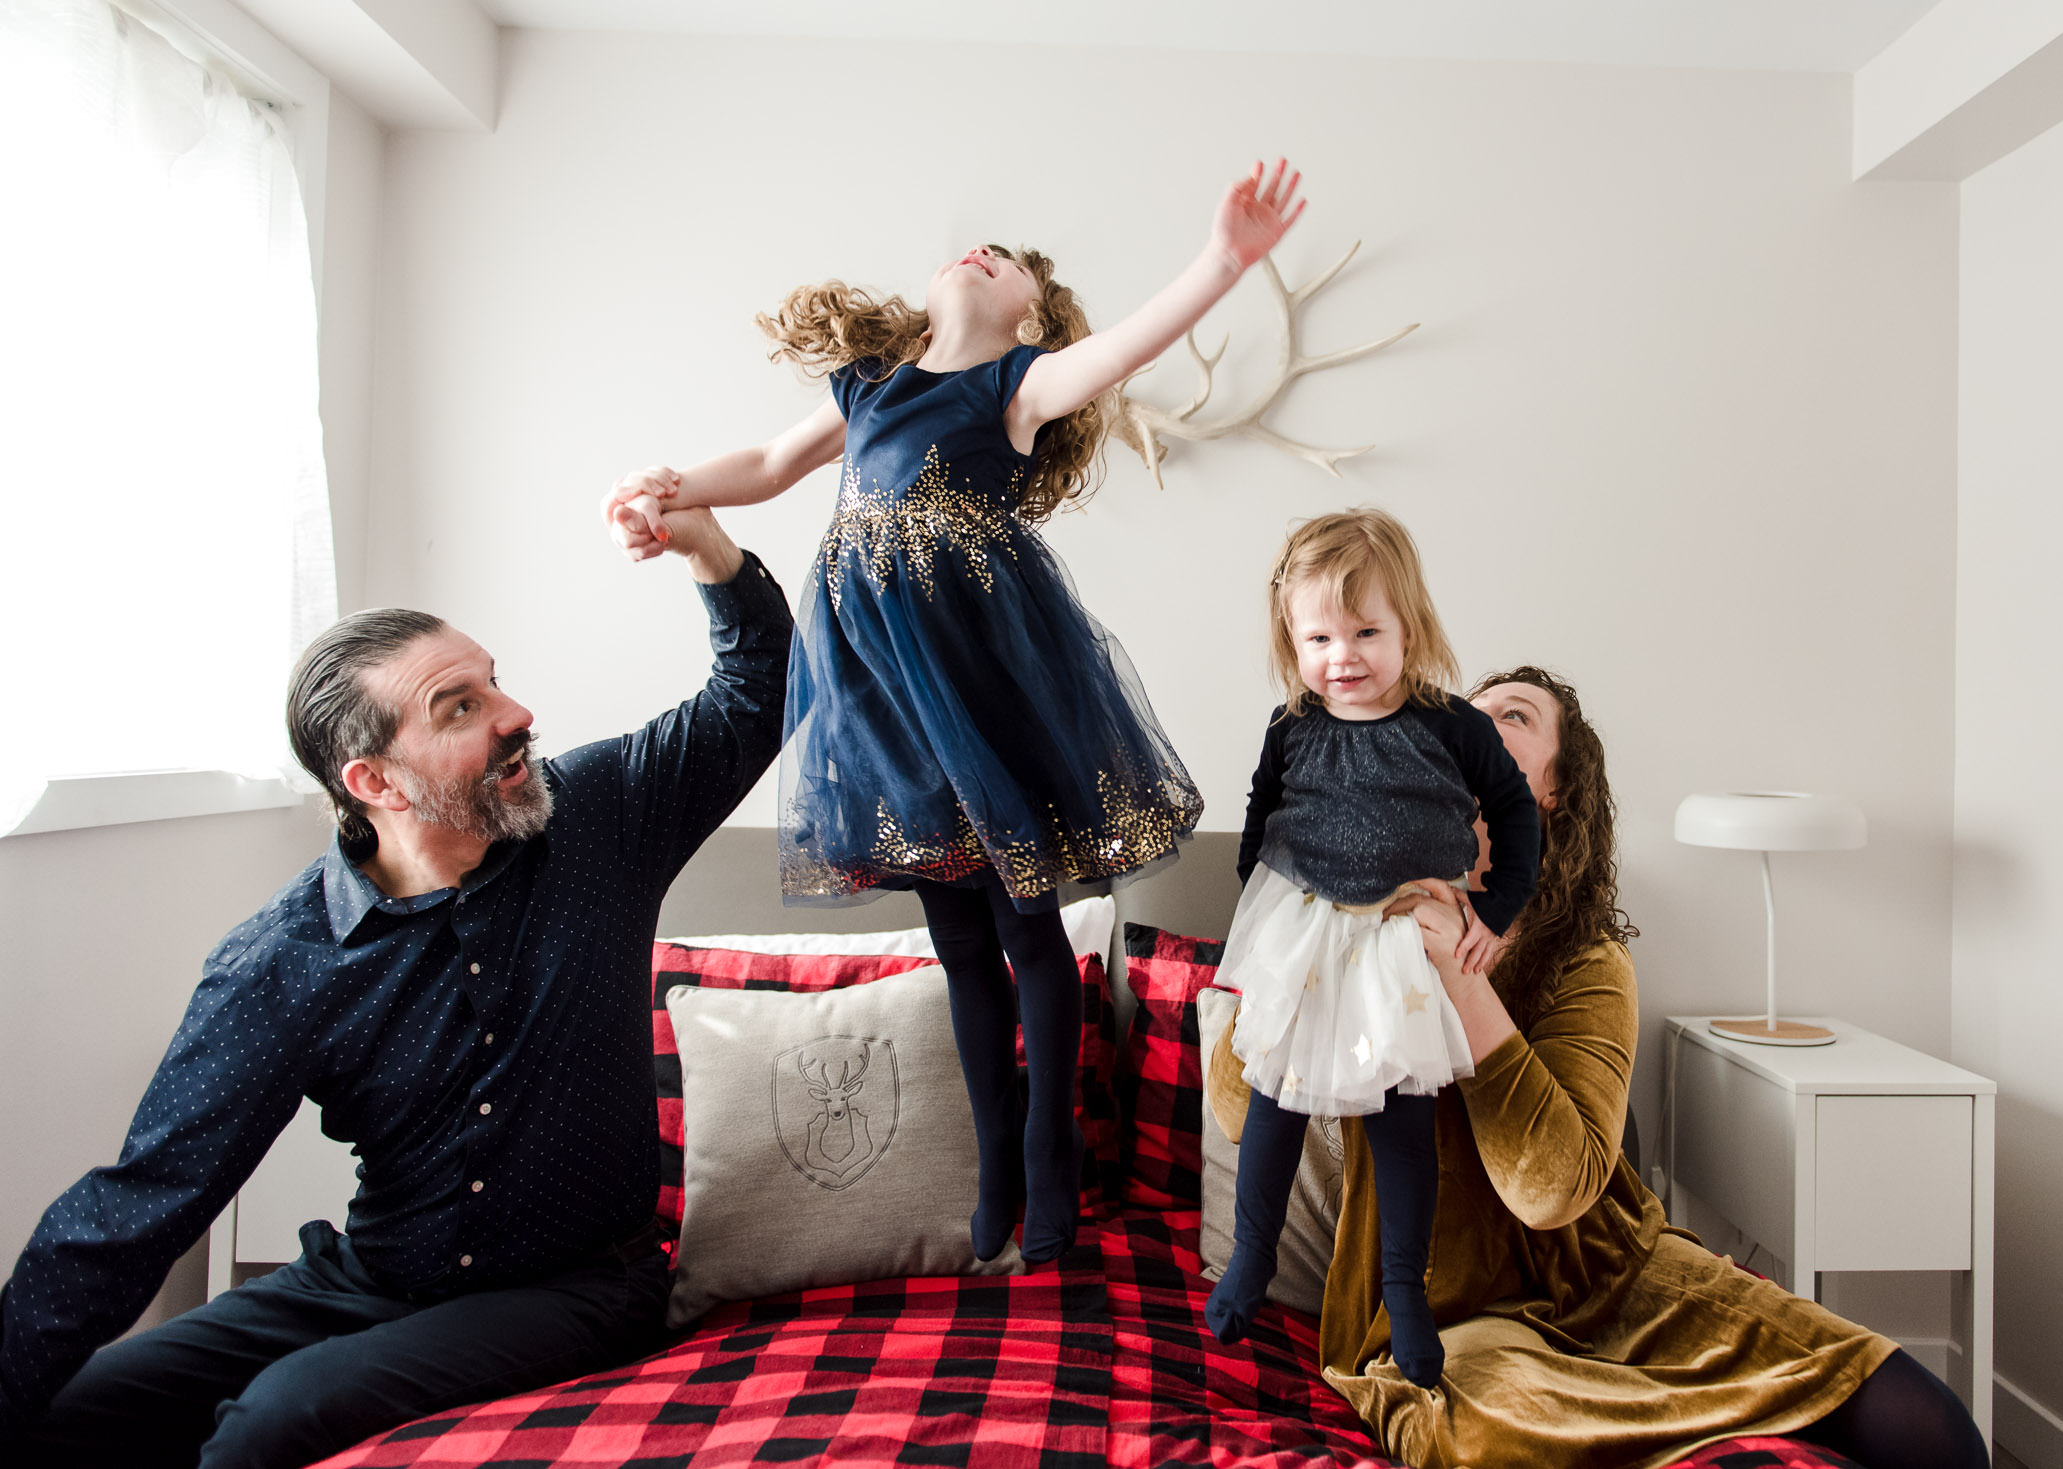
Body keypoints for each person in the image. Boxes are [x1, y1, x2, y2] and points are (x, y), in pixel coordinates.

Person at [599, 159, 1308, 1265]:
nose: (985, 251)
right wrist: (667, 489)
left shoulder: (1017, 389)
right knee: (958, 939)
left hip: (984, 683)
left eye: (1011, 259)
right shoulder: (868, 382)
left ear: (1032, 309)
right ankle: (992, 1174)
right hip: (883, 696)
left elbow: (1124, 349)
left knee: (1026, 931)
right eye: (974, 248)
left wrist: (1222, 260)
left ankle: (1049, 1160)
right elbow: (768, 463)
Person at [0, 506, 791, 1469]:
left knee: (274, 1418)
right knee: (62, 1410)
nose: (516, 714)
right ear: (374, 780)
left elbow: (756, 691)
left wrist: (708, 549)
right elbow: (140, 1205)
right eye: (459, 706)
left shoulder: (599, 818)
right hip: (366, 1279)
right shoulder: (281, 963)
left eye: (493, 681)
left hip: (582, 1283)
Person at [1210, 666, 1990, 1469]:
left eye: (1511, 716)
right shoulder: (1346, 917)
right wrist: (1298, 915)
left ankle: (1717, 1405)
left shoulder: (1587, 960)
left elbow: (1554, 1189)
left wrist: (1461, 973)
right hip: (1446, 1314)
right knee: (1493, 1435)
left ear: (1551, 793)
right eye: (1464, 713)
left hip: (1618, 1274)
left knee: (1934, 1429)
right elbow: (1237, 1111)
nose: (1473, 726)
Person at [1200, 510, 1542, 1388]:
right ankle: (1250, 1258)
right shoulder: (1293, 724)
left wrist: (1494, 912)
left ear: (1409, 630)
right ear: (1291, 638)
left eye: (1365, 632)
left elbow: (1512, 810)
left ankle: (1406, 1289)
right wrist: (1258, 915)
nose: (1341, 655)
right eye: (1319, 636)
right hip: (1310, 931)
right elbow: (1263, 809)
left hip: (1397, 936)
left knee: (1401, 1123)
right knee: (1274, 1101)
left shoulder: (1451, 725)